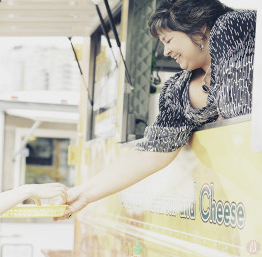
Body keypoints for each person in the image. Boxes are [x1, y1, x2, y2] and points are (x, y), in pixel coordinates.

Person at [55, 0, 256, 220]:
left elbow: (241, 115)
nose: (166, 51)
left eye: (168, 40)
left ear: (200, 27)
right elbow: (151, 153)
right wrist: (83, 194)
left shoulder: (236, 25)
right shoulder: (177, 91)